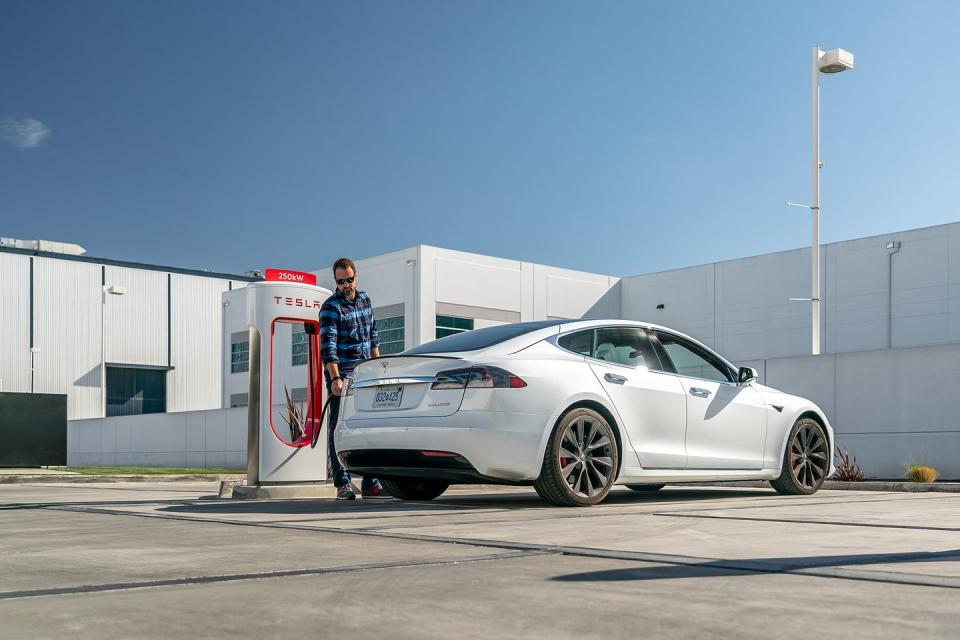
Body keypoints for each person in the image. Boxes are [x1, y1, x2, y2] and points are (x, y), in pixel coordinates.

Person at [319, 257, 384, 500]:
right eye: (341, 281)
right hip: (343, 376)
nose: (346, 284)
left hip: (367, 375)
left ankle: (370, 482)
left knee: (369, 427)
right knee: (338, 429)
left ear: (356, 275)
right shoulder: (330, 307)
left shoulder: (366, 300)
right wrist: (335, 379)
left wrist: (378, 368)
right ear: (336, 281)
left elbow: (373, 335)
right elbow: (329, 347)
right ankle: (342, 484)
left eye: (350, 279)